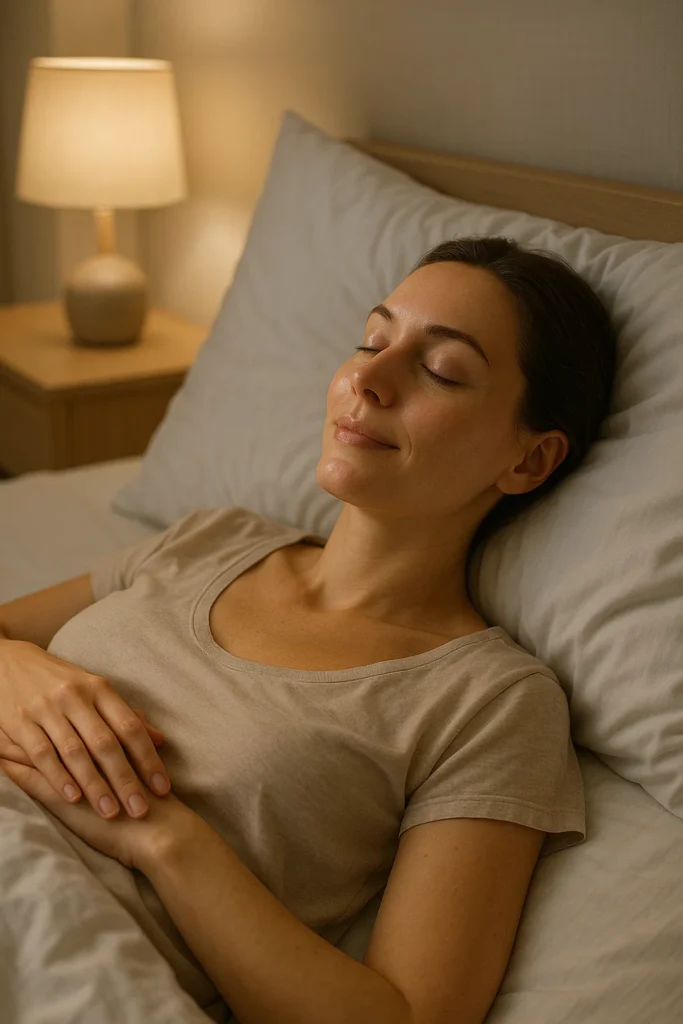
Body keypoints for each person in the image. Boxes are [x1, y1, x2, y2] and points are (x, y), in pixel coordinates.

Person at [0, 236, 617, 1023]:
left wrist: (161, 837)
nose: (367, 377)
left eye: (439, 370)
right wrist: (15, 669)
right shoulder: (212, 540)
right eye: (371, 339)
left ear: (529, 461)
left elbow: (405, 1015)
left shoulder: (489, 703)